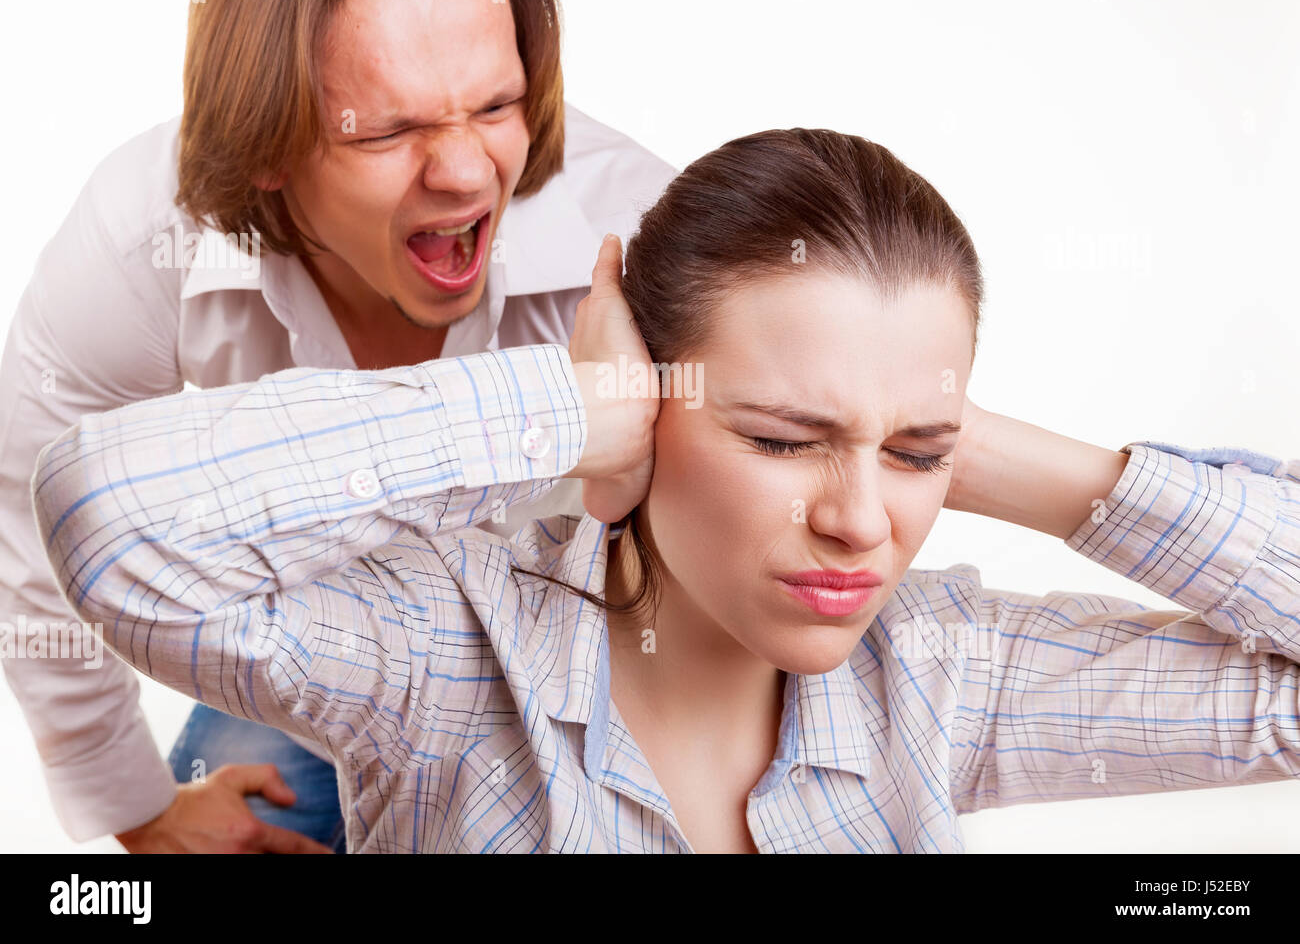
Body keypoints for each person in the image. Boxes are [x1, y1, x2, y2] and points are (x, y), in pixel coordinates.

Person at [32, 129, 1300, 853]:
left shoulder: (946, 672)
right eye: (783, 438)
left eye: (918, 457)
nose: (863, 523)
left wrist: (1026, 463)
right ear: (652, 396)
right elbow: (112, 513)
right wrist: (571, 414)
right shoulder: (443, 648)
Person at [0, 0, 675, 853]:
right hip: (329, 659)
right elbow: (32, 514)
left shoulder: (641, 231)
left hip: (595, 693)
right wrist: (136, 810)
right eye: (390, 129)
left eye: (494, 107)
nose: (468, 173)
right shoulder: (141, 233)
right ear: (266, 144)